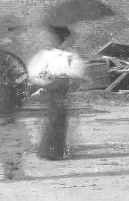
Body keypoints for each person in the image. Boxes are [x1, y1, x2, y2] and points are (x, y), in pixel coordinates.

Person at [27, 26, 86, 160]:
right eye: (68, 40)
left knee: (58, 120)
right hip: (54, 90)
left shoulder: (69, 56)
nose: (70, 43)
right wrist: (48, 79)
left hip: (61, 90)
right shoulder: (50, 55)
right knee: (55, 120)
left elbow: (78, 73)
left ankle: (53, 151)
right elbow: (34, 72)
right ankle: (50, 152)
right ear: (63, 41)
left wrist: (67, 76)